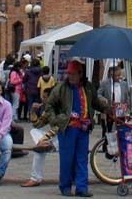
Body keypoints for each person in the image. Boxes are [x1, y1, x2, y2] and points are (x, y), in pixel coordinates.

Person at [44, 59, 109, 198]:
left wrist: (108, 108)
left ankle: (81, 187)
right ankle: (65, 186)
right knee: (67, 159)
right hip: (68, 128)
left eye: (73, 74)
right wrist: (56, 121)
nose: (71, 76)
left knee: (82, 159)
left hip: (84, 129)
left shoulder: (89, 87)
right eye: (69, 74)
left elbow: (96, 103)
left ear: (80, 74)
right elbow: (49, 106)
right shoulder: (61, 88)